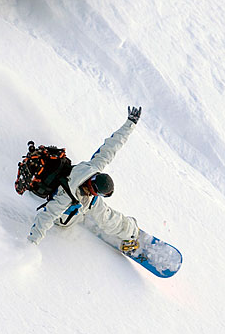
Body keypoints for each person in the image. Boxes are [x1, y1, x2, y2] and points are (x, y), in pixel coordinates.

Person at [27, 106, 142, 252]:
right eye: (97, 192)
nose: (96, 195)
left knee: (104, 215)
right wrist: (31, 244)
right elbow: (45, 217)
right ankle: (129, 232)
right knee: (105, 218)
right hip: (64, 219)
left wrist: (130, 124)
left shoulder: (92, 168)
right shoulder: (66, 196)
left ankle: (128, 229)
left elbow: (111, 146)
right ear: (93, 185)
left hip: (81, 204)